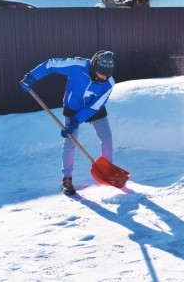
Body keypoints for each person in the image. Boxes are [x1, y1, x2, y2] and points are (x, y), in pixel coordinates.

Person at [19, 51, 115, 195]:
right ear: (94, 66)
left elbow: (94, 106)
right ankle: (67, 178)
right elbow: (51, 64)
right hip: (72, 106)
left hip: (93, 109)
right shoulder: (78, 65)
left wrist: (76, 120)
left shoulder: (109, 83)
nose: (103, 77)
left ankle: (107, 172)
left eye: (106, 74)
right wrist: (31, 77)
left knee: (106, 139)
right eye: (100, 73)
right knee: (70, 141)